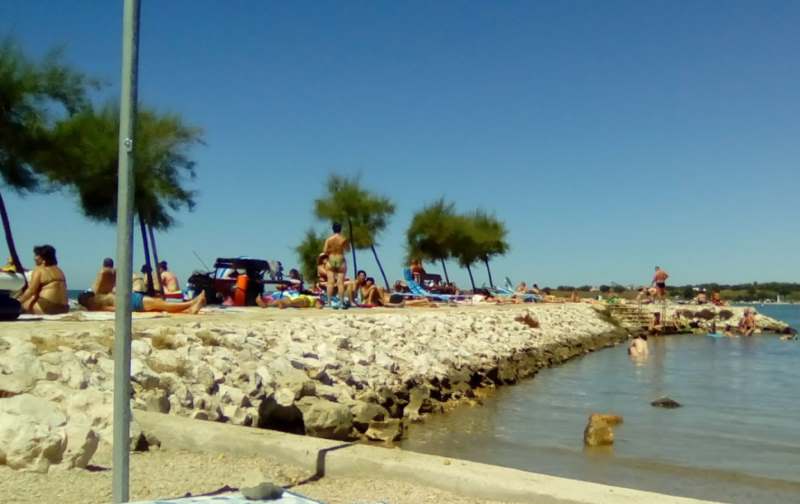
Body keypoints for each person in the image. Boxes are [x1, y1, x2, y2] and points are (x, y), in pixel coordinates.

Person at [16, 245, 69, 314]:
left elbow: (31, 291)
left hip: (47, 308)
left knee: (22, 305)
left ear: (43, 258)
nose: (34, 258)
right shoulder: (59, 270)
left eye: (36, 255)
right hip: (64, 308)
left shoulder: (39, 270)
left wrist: (17, 302)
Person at [78, 290, 205, 314]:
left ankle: (191, 308)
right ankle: (192, 303)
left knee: (163, 306)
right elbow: (114, 308)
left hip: (133, 301)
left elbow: (112, 308)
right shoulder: (97, 303)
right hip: (134, 301)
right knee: (164, 305)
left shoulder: (96, 304)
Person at [322, 223, 348, 308]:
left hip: (331, 259)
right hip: (340, 259)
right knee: (340, 283)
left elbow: (324, 251)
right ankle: (341, 302)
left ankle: (329, 302)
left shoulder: (329, 239)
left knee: (330, 282)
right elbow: (348, 249)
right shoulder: (343, 239)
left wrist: (331, 250)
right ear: (340, 229)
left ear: (333, 229)